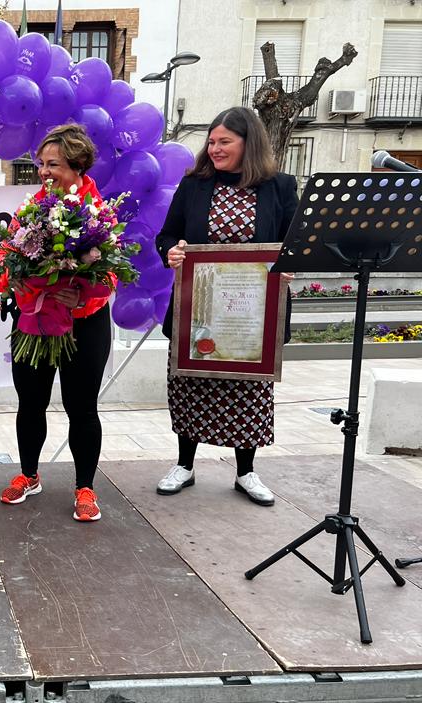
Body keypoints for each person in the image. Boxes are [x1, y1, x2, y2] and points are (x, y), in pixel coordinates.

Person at [155, 106, 298, 506]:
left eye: (224, 142)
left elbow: (293, 245)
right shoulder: (195, 185)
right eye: (212, 142)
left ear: (248, 144)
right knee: (190, 384)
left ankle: (246, 472)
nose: (214, 149)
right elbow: (166, 236)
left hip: (252, 313)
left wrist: (291, 267)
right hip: (199, 306)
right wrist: (173, 252)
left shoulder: (280, 187)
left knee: (247, 389)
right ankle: (184, 465)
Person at [0, 124, 114, 523]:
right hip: (34, 319)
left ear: (78, 166)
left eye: (54, 165)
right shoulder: (30, 209)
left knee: (81, 406)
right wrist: (8, 278)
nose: (45, 172)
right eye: (41, 164)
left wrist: (82, 295)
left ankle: (85, 486)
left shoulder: (98, 214)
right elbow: (5, 254)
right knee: (30, 402)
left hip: (85, 325)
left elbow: (111, 275)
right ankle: (29, 474)